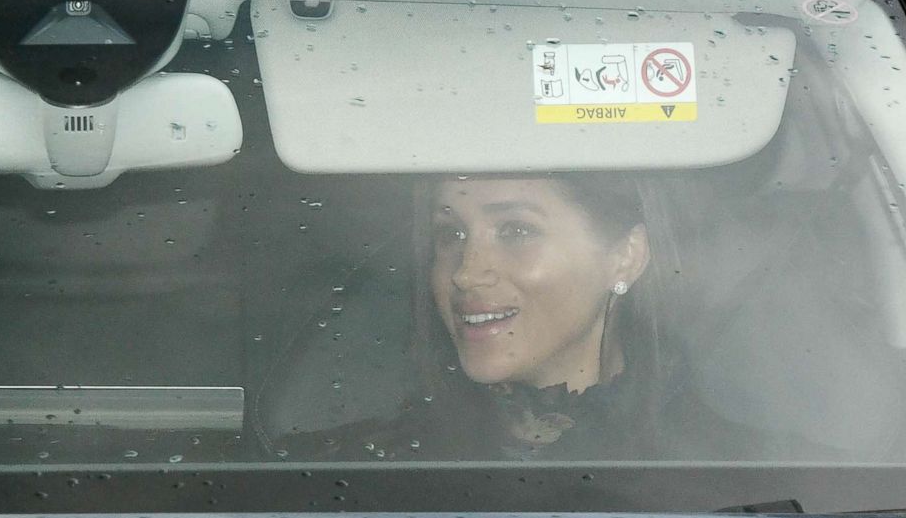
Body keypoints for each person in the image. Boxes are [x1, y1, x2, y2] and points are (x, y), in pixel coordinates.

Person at [282, 174, 771, 462]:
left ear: (624, 256)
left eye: (515, 230)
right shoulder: (353, 471)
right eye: (450, 234)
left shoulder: (740, 474)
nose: (467, 274)